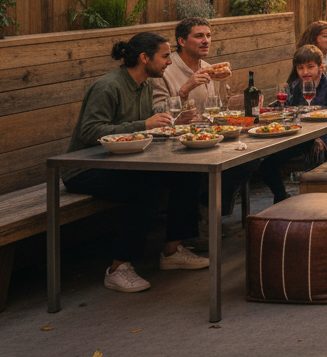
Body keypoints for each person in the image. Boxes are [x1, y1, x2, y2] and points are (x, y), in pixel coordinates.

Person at [62, 32, 208, 293]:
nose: (169, 62)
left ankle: (172, 252)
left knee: (188, 172)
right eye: (165, 56)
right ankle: (118, 268)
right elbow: (89, 131)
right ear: (144, 58)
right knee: (145, 186)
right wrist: (144, 124)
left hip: (124, 161)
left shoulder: (145, 85)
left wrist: (168, 123)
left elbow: (144, 128)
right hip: (86, 168)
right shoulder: (108, 87)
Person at [151, 17, 258, 224]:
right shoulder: (165, 69)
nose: (206, 41)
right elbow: (155, 111)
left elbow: (218, 108)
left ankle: (207, 209)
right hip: (175, 144)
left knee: (250, 157)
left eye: (208, 36)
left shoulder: (210, 68)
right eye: (199, 36)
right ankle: (203, 217)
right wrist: (185, 90)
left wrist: (241, 101)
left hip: (207, 137)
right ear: (182, 41)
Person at [257, 46, 327, 203]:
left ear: (321, 67)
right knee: (265, 163)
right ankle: (281, 196)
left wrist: (311, 113)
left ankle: (316, 200)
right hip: (299, 137)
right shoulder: (295, 87)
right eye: (300, 67)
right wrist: (265, 109)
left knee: (316, 150)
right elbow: (286, 111)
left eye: (310, 67)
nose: (305, 72)